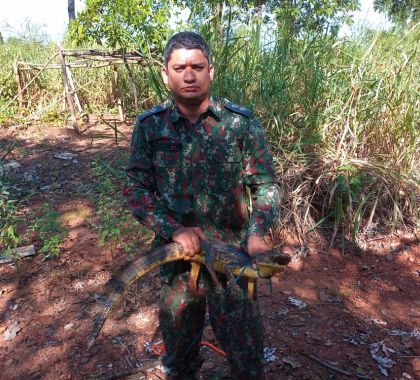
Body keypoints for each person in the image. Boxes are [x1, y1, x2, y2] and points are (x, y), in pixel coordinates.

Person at [124, 31, 282, 380]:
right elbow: (136, 189)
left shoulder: (239, 122)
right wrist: (173, 229)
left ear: (211, 71)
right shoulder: (150, 126)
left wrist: (257, 235)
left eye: (197, 66)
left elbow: (266, 185)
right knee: (179, 359)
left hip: (234, 259)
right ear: (166, 74)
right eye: (180, 67)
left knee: (247, 358)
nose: (189, 75)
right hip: (178, 260)